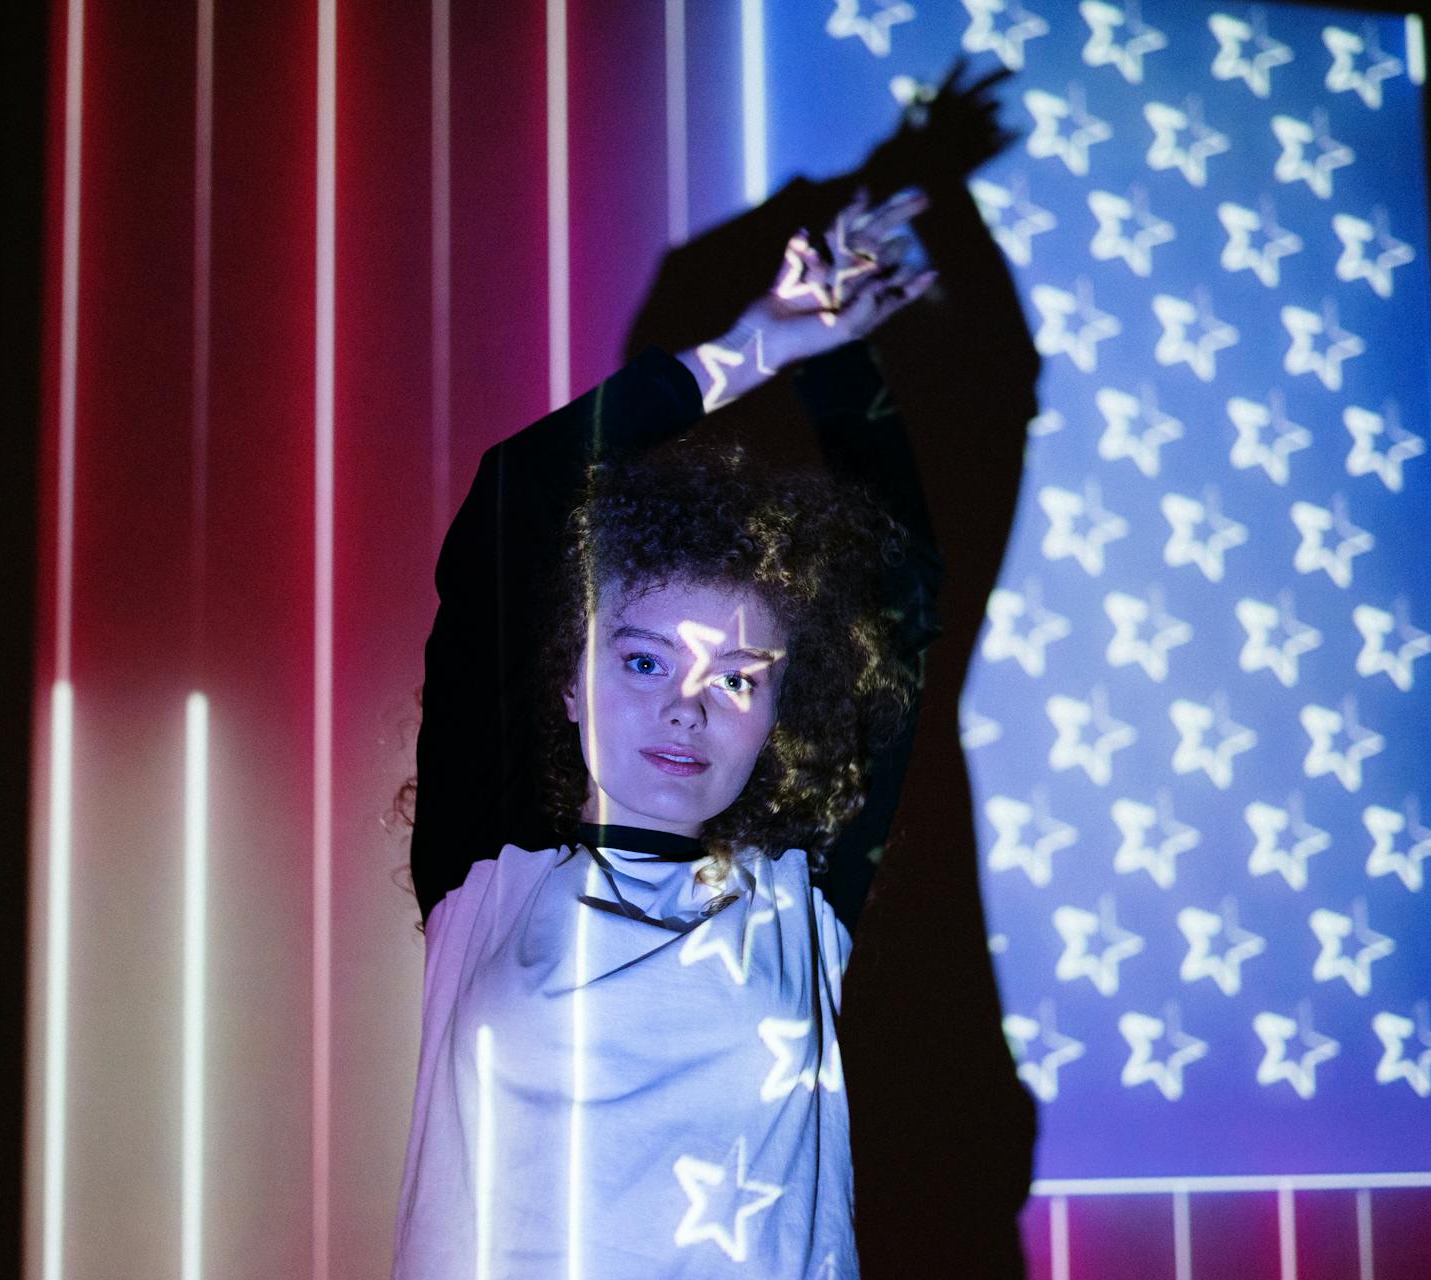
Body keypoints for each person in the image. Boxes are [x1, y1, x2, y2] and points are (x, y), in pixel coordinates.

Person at [394, 64, 1019, 1280]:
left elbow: (909, 591)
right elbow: (514, 500)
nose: (688, 705)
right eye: (642, 658)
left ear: (781, 707)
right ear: (568, 677)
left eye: (738, 677)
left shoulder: (803, 897)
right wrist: (755, 346)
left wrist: (839, 361)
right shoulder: (487, 874)